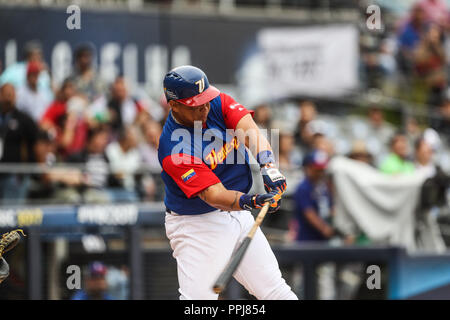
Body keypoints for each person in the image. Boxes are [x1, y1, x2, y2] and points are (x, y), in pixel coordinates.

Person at [159, 65, 297, 300]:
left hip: (237, 212)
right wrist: (253, 200)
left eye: (205, 100)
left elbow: (250, 131)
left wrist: (268, 167)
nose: (204, 108)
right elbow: (214, 196)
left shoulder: (214, 102)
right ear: (174, 105)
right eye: (195, 104)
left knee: (275, 291)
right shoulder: (174, 148)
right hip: (197, 224)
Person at [0, 83, 38, 204]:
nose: (8, 98)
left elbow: (35, 142)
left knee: (12, 214)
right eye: (5, 95)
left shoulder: (23, 119)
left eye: (11, 95)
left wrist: (26, 169)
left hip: (15, 174)